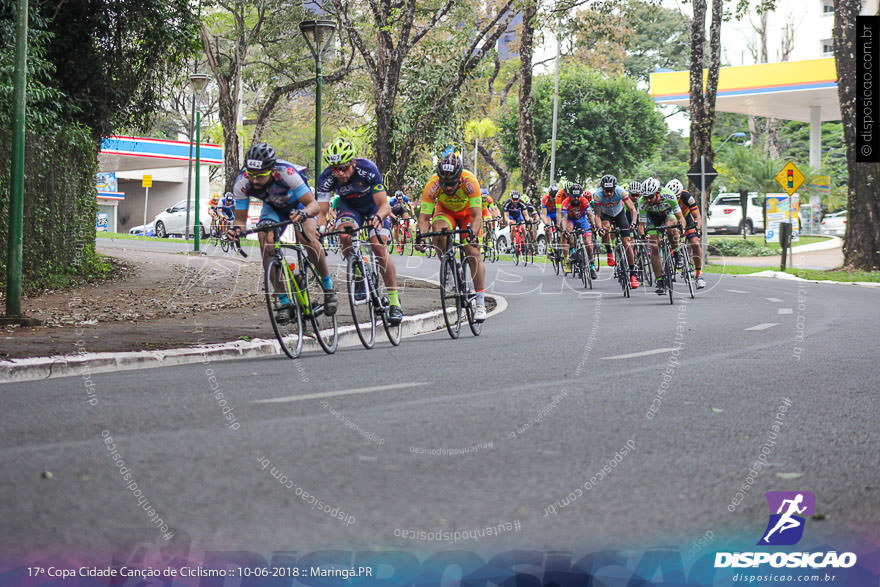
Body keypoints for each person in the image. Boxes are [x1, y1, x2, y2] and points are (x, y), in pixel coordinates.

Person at [228, 142, 337, 316]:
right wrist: (235, 230)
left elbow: (313, 206)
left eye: (260, 175)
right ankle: (284, 301)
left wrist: (303, 214)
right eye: (251, 174)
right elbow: (240, 220)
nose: (254, 180)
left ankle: (328, 287)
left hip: (299, 204)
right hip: (273, 207)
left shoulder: (286, 173)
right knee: (266, 242)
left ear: (271, 171)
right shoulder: (242, 181)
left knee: (307, 238)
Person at [316, 137, 403, 324]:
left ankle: (395, 303)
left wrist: (379, 217)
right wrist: (319, 229)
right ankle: (357, 273)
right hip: (349, 208)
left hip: (374, 207)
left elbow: (384, 205)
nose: (339, 173)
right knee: (344, 234)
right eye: (335, 168)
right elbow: (321, 212)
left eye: (344, 168)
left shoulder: (367, 169)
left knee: (378, 247)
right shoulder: (326, 178)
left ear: (353, 162)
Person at [417, 151, 487, 321]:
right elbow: (424, 218)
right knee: (438, 229)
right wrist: (421, 237)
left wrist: (472, 236)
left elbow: (477, 215)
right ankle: (448, 265)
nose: (448, 187)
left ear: (459, 177)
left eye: (452, 183)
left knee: (473, 251)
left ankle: (480, 302)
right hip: (445, 212)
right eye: (444, 183)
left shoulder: (470, 182)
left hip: (468, 215)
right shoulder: (432, 184)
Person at [637, 177, 688, 295]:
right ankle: (659, 280)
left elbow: (680, 218)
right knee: (654, 247)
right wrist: (643, 235)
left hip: (667, 214)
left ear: (657, 193)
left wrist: (682, 229)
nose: (648, 200)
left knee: (671, 228)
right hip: (652, 219)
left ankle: (676, 252)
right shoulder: (642, 203)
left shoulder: (669, 195)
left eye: (651, 197)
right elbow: (641, 225)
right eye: (646, 197)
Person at [593, 174, 640, 289]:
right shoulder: (598, 196)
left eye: (611, 190)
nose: (608, 193)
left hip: (619, 214)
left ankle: (633, 274)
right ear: (602, 188)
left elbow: (632, 209)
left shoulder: (621, 192)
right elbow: (598, 216)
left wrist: (633, 222)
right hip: (606, 215)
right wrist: (599, 228)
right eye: (606, 191)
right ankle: (609, 251)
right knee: (605, 227)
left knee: (627, 244)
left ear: (614, 188)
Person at [666, 179, 706, 289]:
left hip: (687, 218)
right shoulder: (665, 198)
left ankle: (699, 275)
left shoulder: (687, 196)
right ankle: (672, 262)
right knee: (671, 236)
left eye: (677, 197)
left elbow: (697, 216)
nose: (676, 199)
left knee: (695, 243)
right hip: (672, 219)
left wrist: (697, 227)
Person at [559, 184, 599, 279]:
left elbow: (590, 214)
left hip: (582, 220)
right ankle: (572, 250)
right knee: (568, 230)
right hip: (570, 220)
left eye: (578, 196)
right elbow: (564, 218)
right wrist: (564, 230)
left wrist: (594, 225)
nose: (576, 198)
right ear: (569, 195)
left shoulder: (584, 200)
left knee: (588, 244)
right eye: (574, 196)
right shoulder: (565, 202)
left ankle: (591, 266)